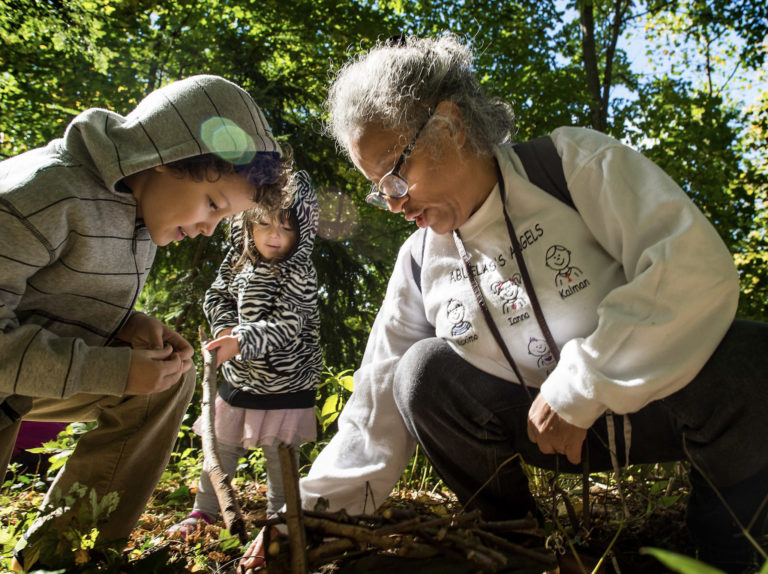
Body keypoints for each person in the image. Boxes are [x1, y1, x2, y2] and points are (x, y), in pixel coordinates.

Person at [239, 35, 768, 573]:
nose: (394, 202)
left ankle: (724, 552)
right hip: (539, 432)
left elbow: (689, 265)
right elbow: (377, 399)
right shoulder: (420, 259)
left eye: (396, 174)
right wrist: (301, 514)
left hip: (655, 406)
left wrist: (584, 384)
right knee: (421, 373)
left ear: (449, 124)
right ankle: (517, 552)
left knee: (753, 359)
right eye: (379, 189)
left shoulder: (570, 165)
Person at [0, 74, 292, 571]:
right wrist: (113, 370)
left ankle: (69, 551)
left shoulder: (141, 208)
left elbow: (47, 297)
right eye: (213, 205)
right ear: (164, 155)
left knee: (162, 382)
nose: (206, 227)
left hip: (16, 384)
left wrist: (123, 326)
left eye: (222, 220)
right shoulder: (37, 197)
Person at [167, 171, 322, 537]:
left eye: (286, 228)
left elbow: (288, 326)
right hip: (241, 379)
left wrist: (240, 341)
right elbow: (217, 295)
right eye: (264, 224)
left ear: (301, 232)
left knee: (280, 458)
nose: (273, 236)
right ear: (247, 223)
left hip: (287, 382)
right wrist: (223, 329)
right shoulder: (238, 262)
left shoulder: (299, 273)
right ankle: (203, 512)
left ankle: (280, 520)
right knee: (221, 447)